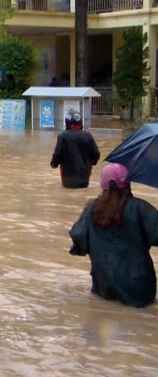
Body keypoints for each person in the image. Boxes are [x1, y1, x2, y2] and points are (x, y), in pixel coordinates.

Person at [69, 163, 158, 308]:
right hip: (139, 288)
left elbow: (79, 242)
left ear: (103, 185)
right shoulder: (140, 208)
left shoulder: (91, 210)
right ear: (128, 184)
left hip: (104, 286)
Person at [50, 110, 100, 189]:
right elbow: (96, 153)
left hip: (68, 179)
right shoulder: (88, 135)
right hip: (84, 178)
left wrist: (54, 164)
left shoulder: (63, 136)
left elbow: (57, 154)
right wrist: (91, 163)